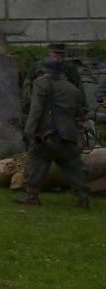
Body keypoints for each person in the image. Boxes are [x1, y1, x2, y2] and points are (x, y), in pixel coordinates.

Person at [17, 53, 91, 208]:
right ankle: (82, 195)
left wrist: (29, 130)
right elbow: (80, 112)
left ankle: (31, 196)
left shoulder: (41, 84)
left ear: (44, 70)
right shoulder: (72, 88)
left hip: (46, 133)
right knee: (73, 166)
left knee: (36, 162)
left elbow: (36, 108)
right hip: (68, 135)